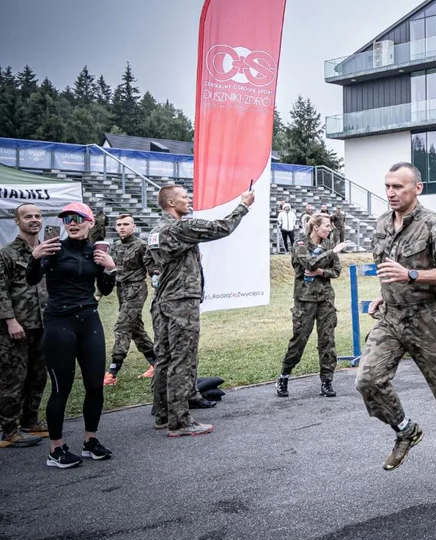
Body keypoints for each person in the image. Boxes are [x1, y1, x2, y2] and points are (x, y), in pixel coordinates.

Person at [356, 162, 436, 476]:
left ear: (417, 188)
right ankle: (405, 430)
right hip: (391, 318)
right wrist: (385, 293)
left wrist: (410, 275)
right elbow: (389, 272)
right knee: (368, 380)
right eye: (387, 186)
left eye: (398, 186)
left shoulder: (435, 225)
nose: (391, 192)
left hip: (427, 321)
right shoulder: (383, 223)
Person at [148, 184, 254, 437]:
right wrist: (243, 205)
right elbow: (222, 227)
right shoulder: (180, 227)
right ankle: (180, 421)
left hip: (163, 299)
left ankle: (162, 414)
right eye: (184, 197)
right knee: (182, 359)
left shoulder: (155, 230)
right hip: (182, 301)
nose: (189, 200)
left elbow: (151, 263)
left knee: (164, 358)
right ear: (171, 203)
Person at [26, 202, 117, 467]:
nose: (71, 223)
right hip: (59, 323)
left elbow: (106, 290)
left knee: (94, 385)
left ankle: (90, 441)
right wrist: (35, 257)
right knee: (61, 388)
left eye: (78, 218)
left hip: (89, 320)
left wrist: (110, 269)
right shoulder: (54, 249)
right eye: (67, 220)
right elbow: (32, 279)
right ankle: (56, 449)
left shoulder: (96, 251)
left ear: (90, 223)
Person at [277, 213, 351, 398]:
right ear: (316, 227)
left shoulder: (327, 244)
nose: (330, 229)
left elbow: (336, 271)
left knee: (327, 341)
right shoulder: (300, 244)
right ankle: (284, 376)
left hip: (325, 300)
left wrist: (321, 272)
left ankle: (327, 382)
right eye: (327, 226)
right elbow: (308, 263)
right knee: (299, 340)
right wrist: (332, 253)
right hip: (305, 301)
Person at [0, 204, 49, 449]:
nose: (34, 220)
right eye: (27, 216)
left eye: (38, 216)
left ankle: (30, 421)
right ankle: (9, 430)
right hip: (17, 326)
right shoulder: (6, 254)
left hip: (43, 324)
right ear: (16, 221)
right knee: (13, 378)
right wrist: (10, 320)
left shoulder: (48, 252)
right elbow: (1, 291)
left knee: (38, 377)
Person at [105, 214, 156, 385]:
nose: (122, 227)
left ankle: (112, 371)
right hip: (121, 289)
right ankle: (156, 363)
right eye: (119, 224)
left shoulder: (141, 246)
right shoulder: (114, 246)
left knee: (122, 326)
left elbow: (152, 267)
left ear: (133, 227)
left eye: (126, 224)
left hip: (136, 289)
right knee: (135, 329)